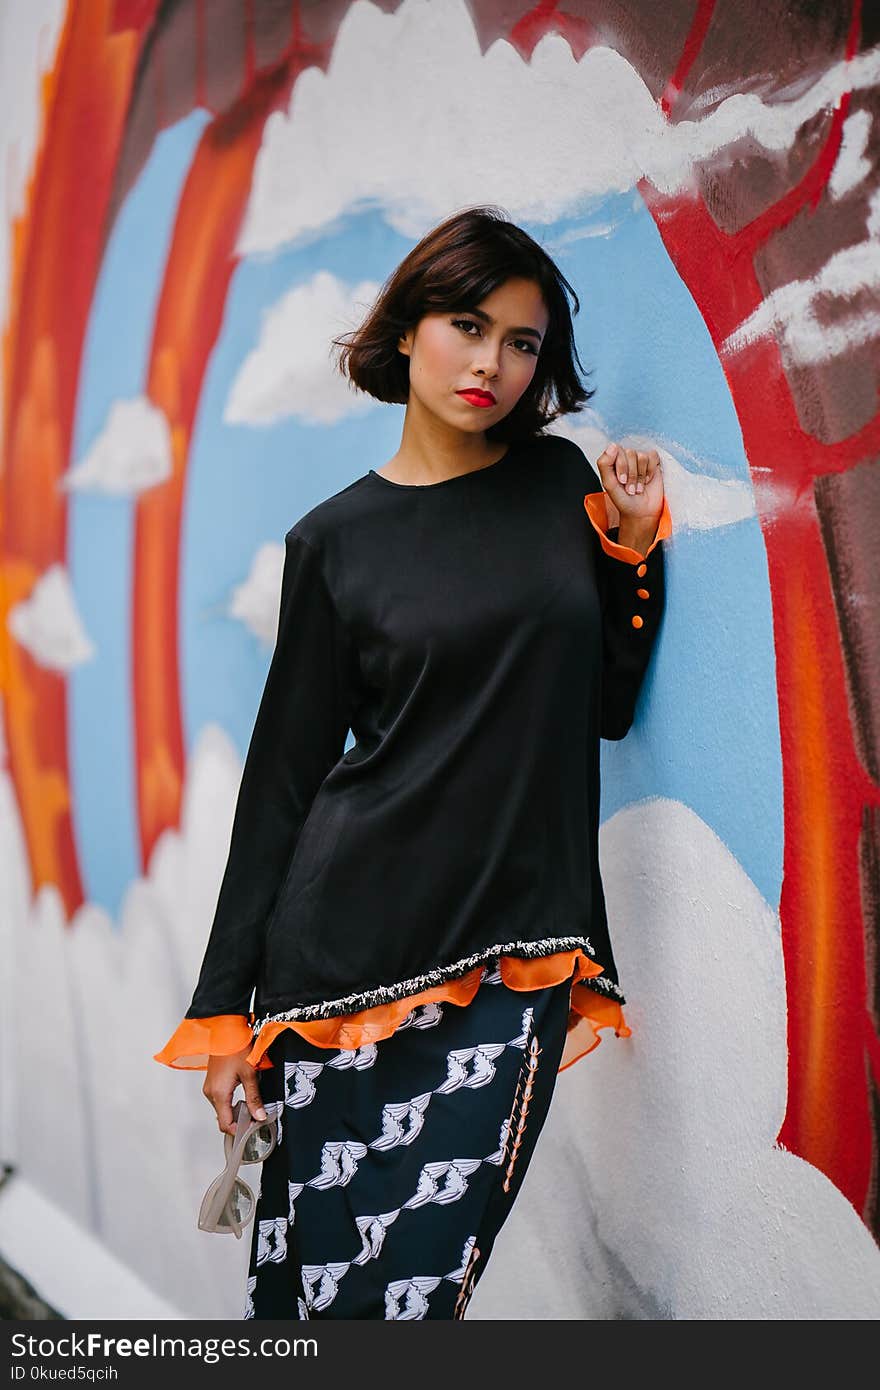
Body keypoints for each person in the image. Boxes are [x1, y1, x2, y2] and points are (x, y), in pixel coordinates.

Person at [154, 205, 672, 1319]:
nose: (491, 362)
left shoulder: (554, 487)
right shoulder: (332, 542)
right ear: (408, 330)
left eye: (522, 342)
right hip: (340, 964)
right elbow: (284, 781)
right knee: (313, 1299)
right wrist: (224, 1013)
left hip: (510, 957)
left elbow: (607, 707)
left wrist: (631, 549)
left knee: (420, 1293)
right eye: (466, 324)